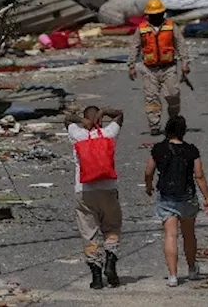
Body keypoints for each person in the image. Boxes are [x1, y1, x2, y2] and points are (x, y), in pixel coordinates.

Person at [144, 115, 208, 286]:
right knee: (189, 235)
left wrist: (148, 186)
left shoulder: (158, 149)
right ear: (184, 131)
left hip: (166, 197)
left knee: (170, 235)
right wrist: (207, 197)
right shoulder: (191, 150)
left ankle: (173, 276)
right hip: (187, 196)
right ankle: (191, 269)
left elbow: (148, 171)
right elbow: (199, 175)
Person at [67, 105, 125, 289]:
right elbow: (120, 114)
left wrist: (80, 120)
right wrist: (106, 112)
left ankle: (96, 276)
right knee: (112, 227)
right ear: (99, 118)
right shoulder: (108, 133)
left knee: (89, 232)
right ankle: (110, 262)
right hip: (108, 188)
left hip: (84, 191)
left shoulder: (77, 134)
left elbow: (66, 119)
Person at [129, 0, 189, 135]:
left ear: (163, 13)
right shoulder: (142, 29)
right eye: (152, 14)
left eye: (158, 14)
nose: (155, 17)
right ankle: (154, 125)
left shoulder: (171, 26)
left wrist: (185, 62)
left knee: (173, 95)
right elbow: (135, 47)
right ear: (148, 15)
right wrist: (131, 65)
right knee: (151, 98)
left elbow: (180, 44)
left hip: (169, 67)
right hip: (149, 69)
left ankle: (173, 119)